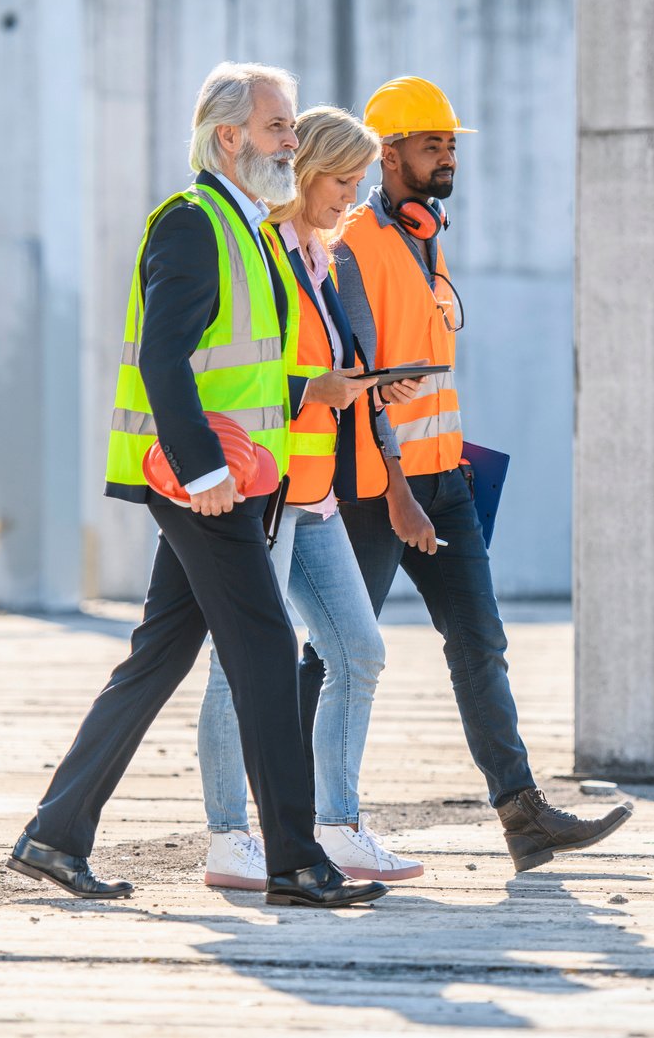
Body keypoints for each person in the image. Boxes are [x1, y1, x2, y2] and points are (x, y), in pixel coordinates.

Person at [6, 62, 386, 909]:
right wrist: (205, 471)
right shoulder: (190, 223)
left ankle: (54, 834)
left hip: (234, 477)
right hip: (203, 483)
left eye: (288, 127)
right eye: (279, 127)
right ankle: (295, 861)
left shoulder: (243, 223)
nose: (292, 141)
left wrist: (292, 410)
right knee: (266, 650)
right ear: (230, 136)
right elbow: (167, 362)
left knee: (161, 652)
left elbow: (242, 372)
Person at [307, 76, 634, 873]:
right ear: (388, 156)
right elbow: (359, 386)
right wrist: (397, 493)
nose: (447, 154)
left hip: (446, 479)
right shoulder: (353, 248)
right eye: (432, 143)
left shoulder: (426, 237)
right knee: (337, 656)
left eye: (451, 141)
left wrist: (440, 479)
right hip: (381, 490)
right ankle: (297, 820)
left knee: (480, 642)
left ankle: (522, 815)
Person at [195, 106, 429, 891]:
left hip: (316, 489)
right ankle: (229, 838)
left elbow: (324, 364)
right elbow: (245, 371)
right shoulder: (260, 249)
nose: (353, 193)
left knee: (357, 650)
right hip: (266, 491)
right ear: (304, 173)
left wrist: (359, 384)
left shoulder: (321, 255)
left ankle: (337, 825)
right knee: (239, 666)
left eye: (361, 180)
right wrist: (310, 387)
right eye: (342, 178)